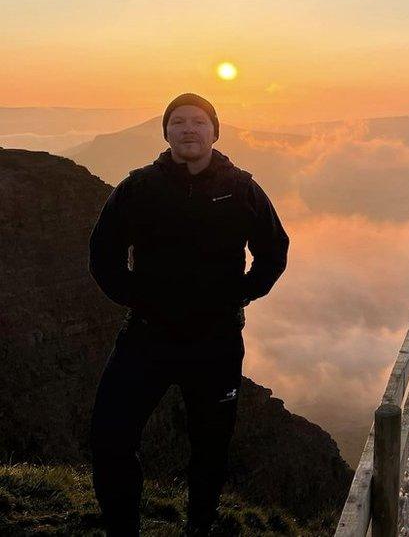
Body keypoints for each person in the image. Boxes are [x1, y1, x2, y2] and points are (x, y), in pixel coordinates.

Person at [88, 92, 290, 536]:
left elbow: (274, 250)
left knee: (210, 445)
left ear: (215, 131)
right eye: (178, 121)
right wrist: (135, 298)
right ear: (166, 132)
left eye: (198, 121)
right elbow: (103, 251)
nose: (188, 129)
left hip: (214, 341)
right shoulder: (139, 187)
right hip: (147, 336)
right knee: (110, 437)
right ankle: (123, 528)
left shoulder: (241, 189)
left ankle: (200, 526)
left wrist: (240, 295)